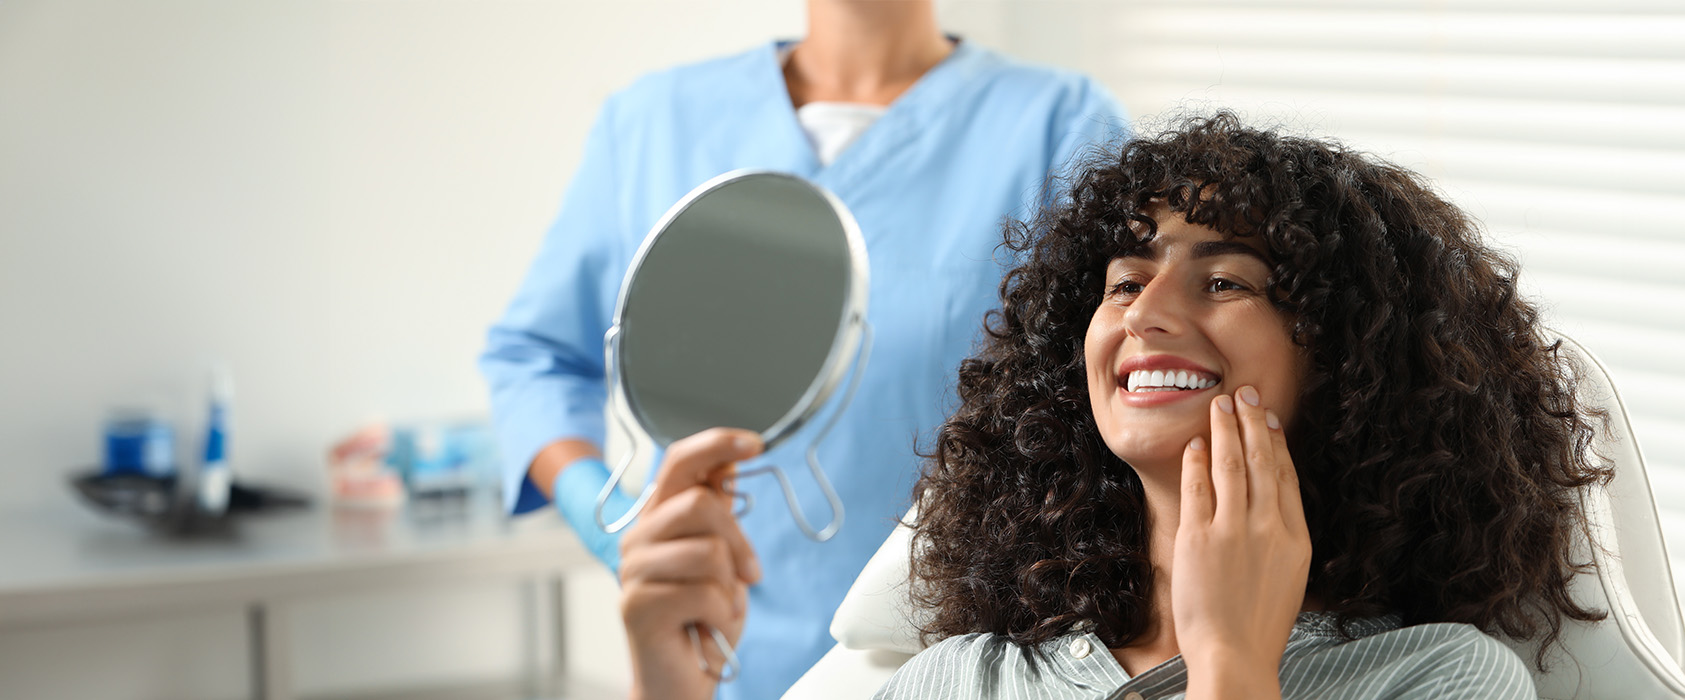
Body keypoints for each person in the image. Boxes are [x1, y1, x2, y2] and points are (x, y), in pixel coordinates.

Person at [478, 1, 1128, 698]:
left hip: (948, 660)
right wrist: (612, 524)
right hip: (708, 661)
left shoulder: (1060, 127)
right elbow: (533, 358)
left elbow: (1116, 401)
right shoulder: (651, 125)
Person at [858, 113, 1613, 698]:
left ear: (1351, 360)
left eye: (1225, 283)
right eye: (1124, 282)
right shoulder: (957, 680)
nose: (1142, 314)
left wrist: (1231, 665)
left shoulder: (1438, 680)